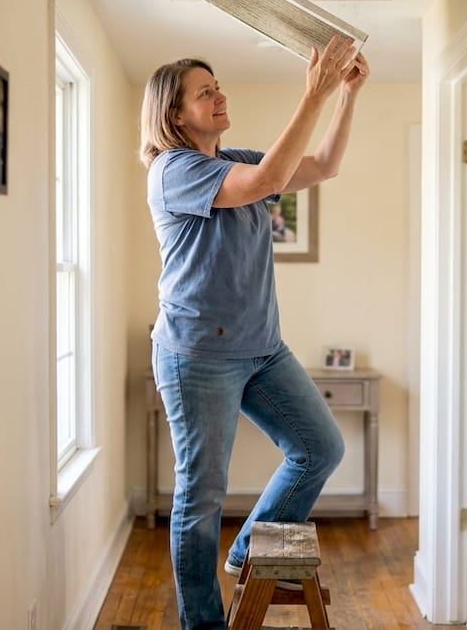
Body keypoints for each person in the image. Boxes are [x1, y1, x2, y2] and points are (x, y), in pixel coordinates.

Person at [141, 35, 367, 628]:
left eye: (217, 87)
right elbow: (268, 180)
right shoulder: (173, 170)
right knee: (200, 497)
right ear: (174, 113)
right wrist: (312, 92)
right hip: (197, 356)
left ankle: (247, 551)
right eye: (204, 92)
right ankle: (205, 625)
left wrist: (345, 95)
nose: (219, 96)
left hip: (262, 348)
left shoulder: (229, 158)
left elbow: (324, 166)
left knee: (320, 447)